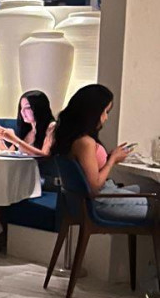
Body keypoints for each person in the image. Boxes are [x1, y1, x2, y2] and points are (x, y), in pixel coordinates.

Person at [53, 84, 153, 223]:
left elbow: (86, 173)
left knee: (149, 188)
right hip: (100, 201)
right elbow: (94, 187)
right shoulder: (85, 142)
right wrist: (112, 160)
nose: (106, 118)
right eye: (105, 112)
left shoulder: (73, 139)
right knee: (155, 202)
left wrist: (109, 158)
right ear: (93, 112)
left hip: (93, 199)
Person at [0, 91, 55, 157]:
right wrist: (0, 139)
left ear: (40, 108)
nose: (22, 112)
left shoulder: (52, 126)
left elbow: (45, 155)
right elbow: (9, 154)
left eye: (27, 108)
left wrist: (14, 140)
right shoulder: (27, 130)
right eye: (21, 108)